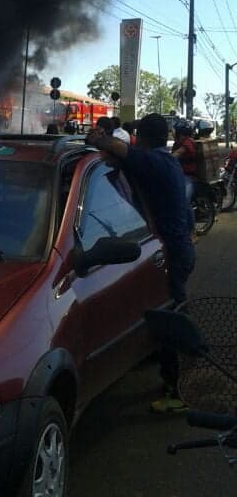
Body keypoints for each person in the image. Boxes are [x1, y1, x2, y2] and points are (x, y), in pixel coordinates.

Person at [86, 113, 196, 413]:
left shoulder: (154, 162)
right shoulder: (168, 162)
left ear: (144, 138)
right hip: (178, 247)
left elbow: (123, 151)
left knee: (172, 322)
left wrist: (98, 139)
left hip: (170, 252)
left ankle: (179, 392)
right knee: (169, 314)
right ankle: (162, 361)